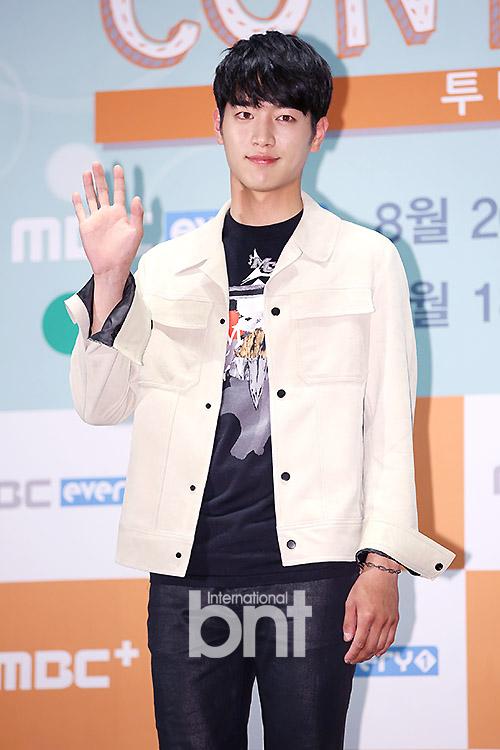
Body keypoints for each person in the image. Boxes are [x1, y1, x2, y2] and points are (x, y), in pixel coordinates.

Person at [64, 30, 456, 750]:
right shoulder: (167, 267)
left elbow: (387, 420)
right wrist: (111, 279)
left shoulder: (365, 259)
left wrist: (382, 565)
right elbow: (100, 404)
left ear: (318, 131)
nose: (263, 135)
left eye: (285, 116)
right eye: (244, 113)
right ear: (217, 126)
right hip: (190, 573)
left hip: (312, 573)